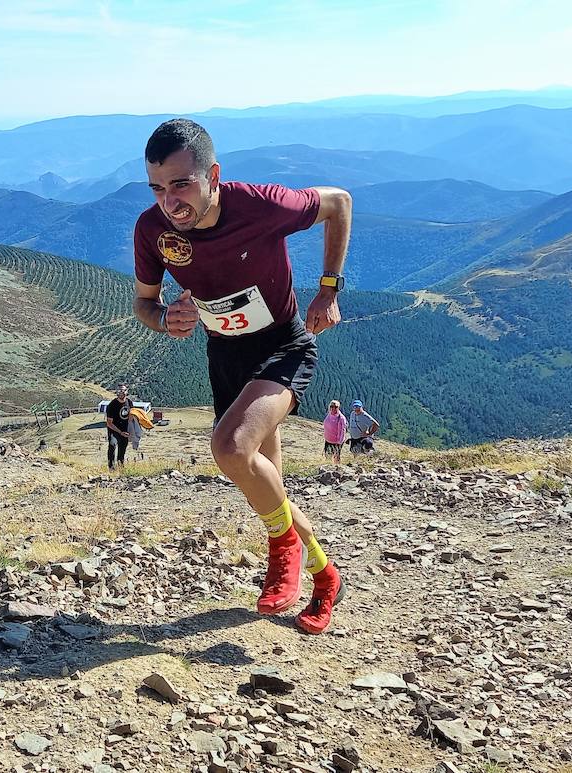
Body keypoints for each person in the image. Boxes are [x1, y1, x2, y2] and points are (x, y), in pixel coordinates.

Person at [132, 118, 352, 634]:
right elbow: (144, 304)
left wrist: (329, 289)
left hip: (283, 347)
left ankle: (283, 552)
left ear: (214, 175)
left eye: (182, 184)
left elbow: (338, 203)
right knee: (265, 485)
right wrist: (165, 318)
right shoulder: (152, 230)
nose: (170, 201)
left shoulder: (261, 204)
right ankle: (325, 577)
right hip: (225, 357)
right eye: (158, 188)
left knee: (230, 448)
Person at [105, 384, 132, 470]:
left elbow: (132, 416)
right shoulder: (112, 405)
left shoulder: (129, 402)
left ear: (126, 392)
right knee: (112, 445)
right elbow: (109, 423)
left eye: (123, 390)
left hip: (125, 430)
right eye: (119, 391)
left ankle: (121, 468)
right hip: (114, 430)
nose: (121, 393)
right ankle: (111, 468)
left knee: (122, 449)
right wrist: (120, 432)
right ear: (116, 392)